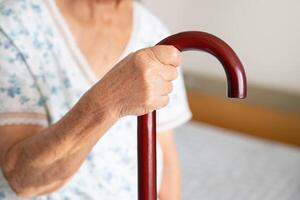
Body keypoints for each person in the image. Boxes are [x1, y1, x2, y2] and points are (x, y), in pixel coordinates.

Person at [0, 0, 191, 199]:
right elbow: (22, 179)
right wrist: (110, 99)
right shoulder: (16, 25)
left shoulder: (153, 31)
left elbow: (166, 160)